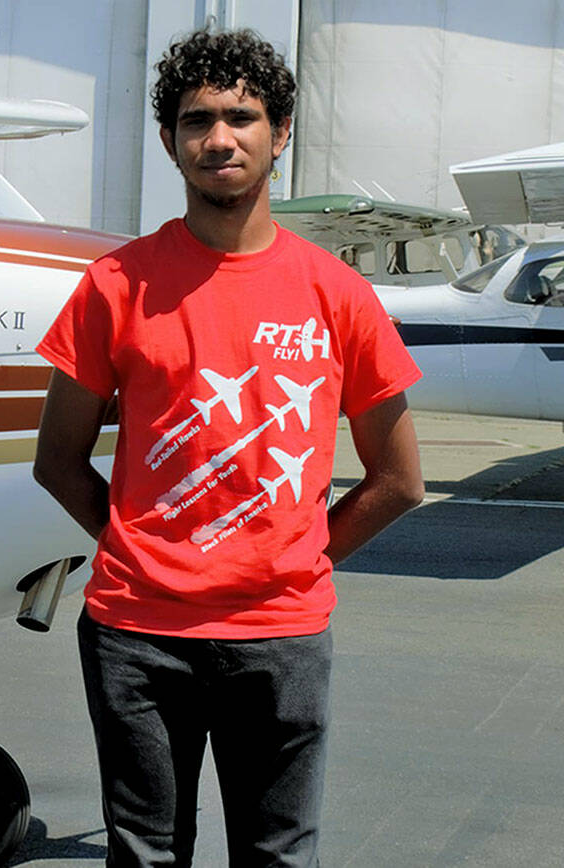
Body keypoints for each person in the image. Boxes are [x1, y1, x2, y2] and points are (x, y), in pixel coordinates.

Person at [32, 27, 425, 868]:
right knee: (144, 856)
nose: (219, 138)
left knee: (278, 857)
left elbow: (398, 481)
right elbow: (56, 459)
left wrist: (299, 558)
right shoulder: (114, 287)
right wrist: (142, 552)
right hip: (137, 636)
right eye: (196, 119)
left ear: (279, 133)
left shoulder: (339, 296)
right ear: (171, 141)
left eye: (241, 116)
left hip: (280, 637)